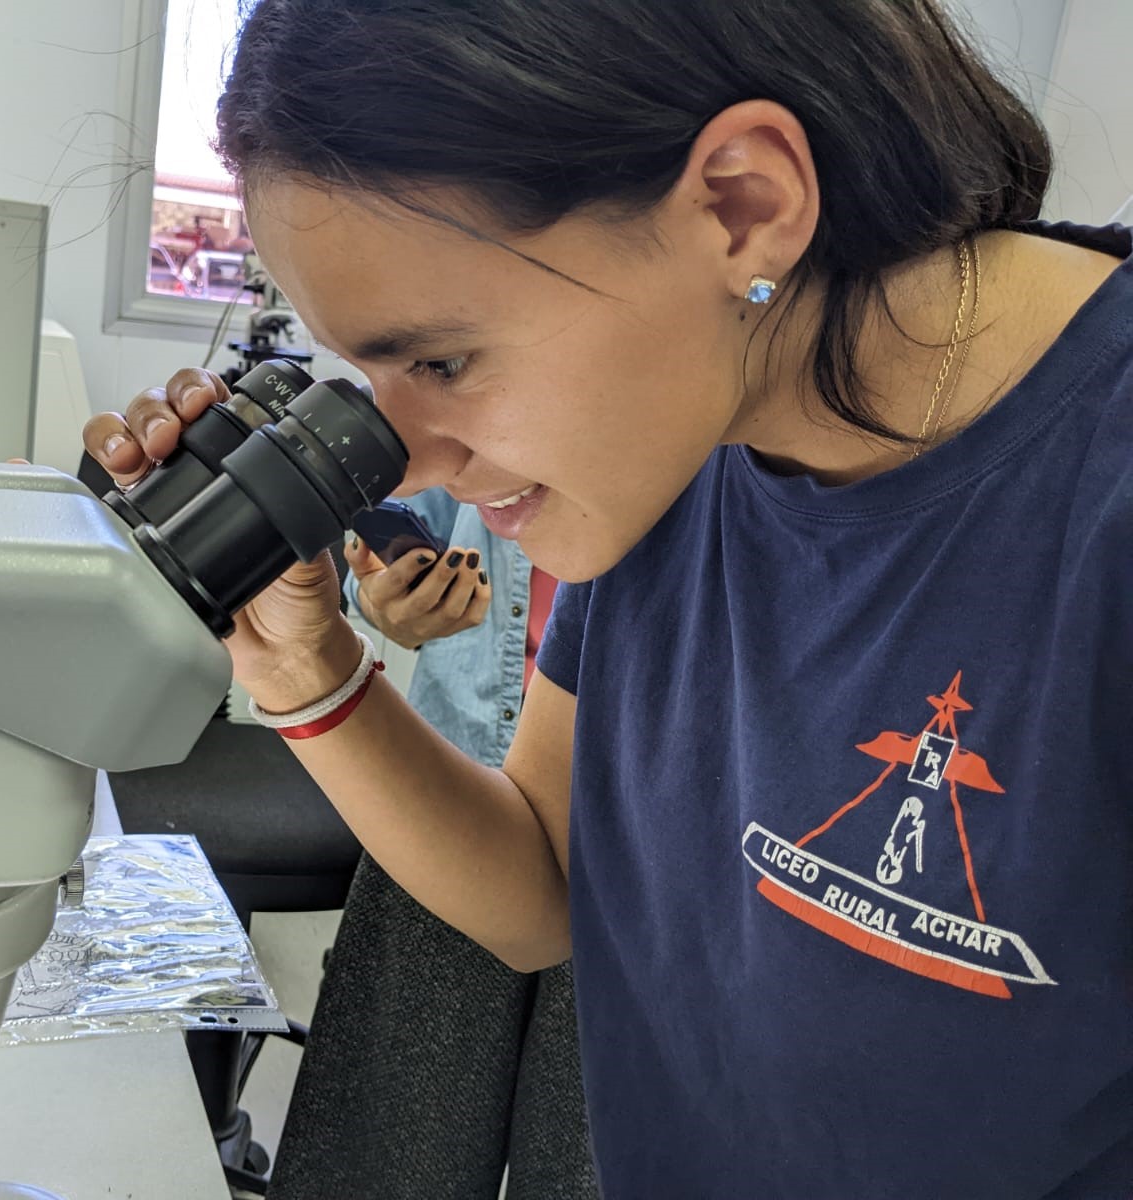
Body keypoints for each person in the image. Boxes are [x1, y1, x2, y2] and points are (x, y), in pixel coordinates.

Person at [85, 1, 1133, 1194]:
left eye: (442, 361)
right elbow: (543, 892)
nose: (412, 463)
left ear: (743, 204)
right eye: (370, 377)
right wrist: (301, 668)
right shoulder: (678, 434)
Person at [267, 494, 596, 1199]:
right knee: (387, 1142)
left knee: (589, 1161)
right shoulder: (464, 428)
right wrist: (386, 602)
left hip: (646, 833)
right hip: (453, 773)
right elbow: (398, 539)